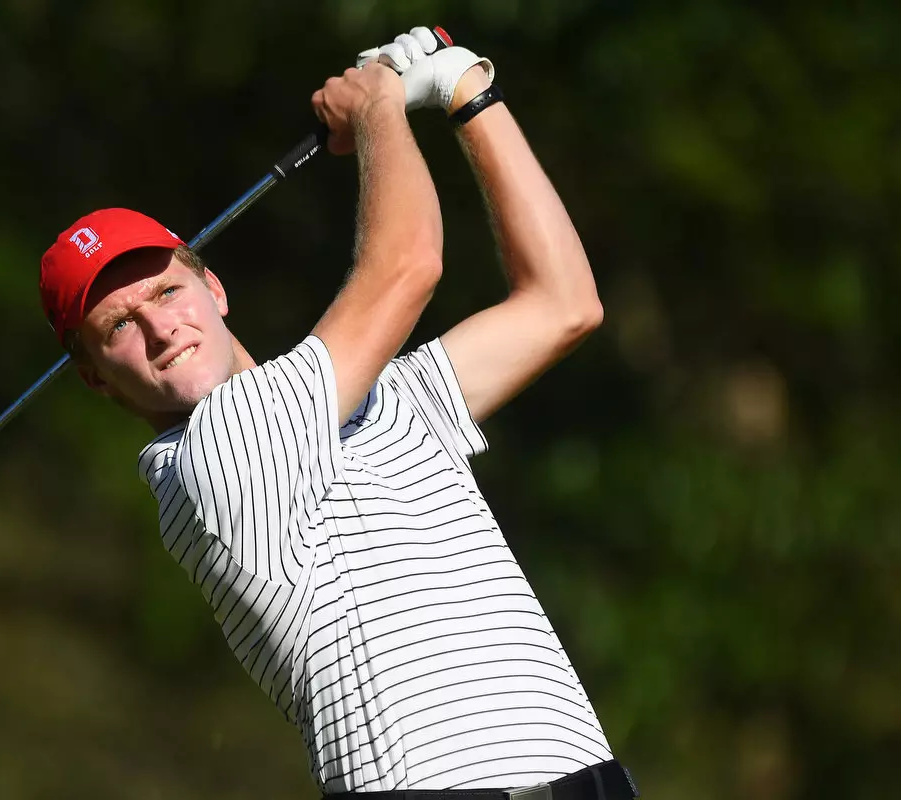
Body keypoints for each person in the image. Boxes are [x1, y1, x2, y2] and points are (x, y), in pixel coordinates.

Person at [39, 26, 637, 800]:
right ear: (95, 379)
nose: (160, 329)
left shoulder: (377, 401)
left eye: (165, 291)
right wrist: (381, 103)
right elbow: (410, 263)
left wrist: (469, 94)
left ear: (213, 290)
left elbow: (564, 305)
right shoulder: (212, 457)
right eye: (118, 326)